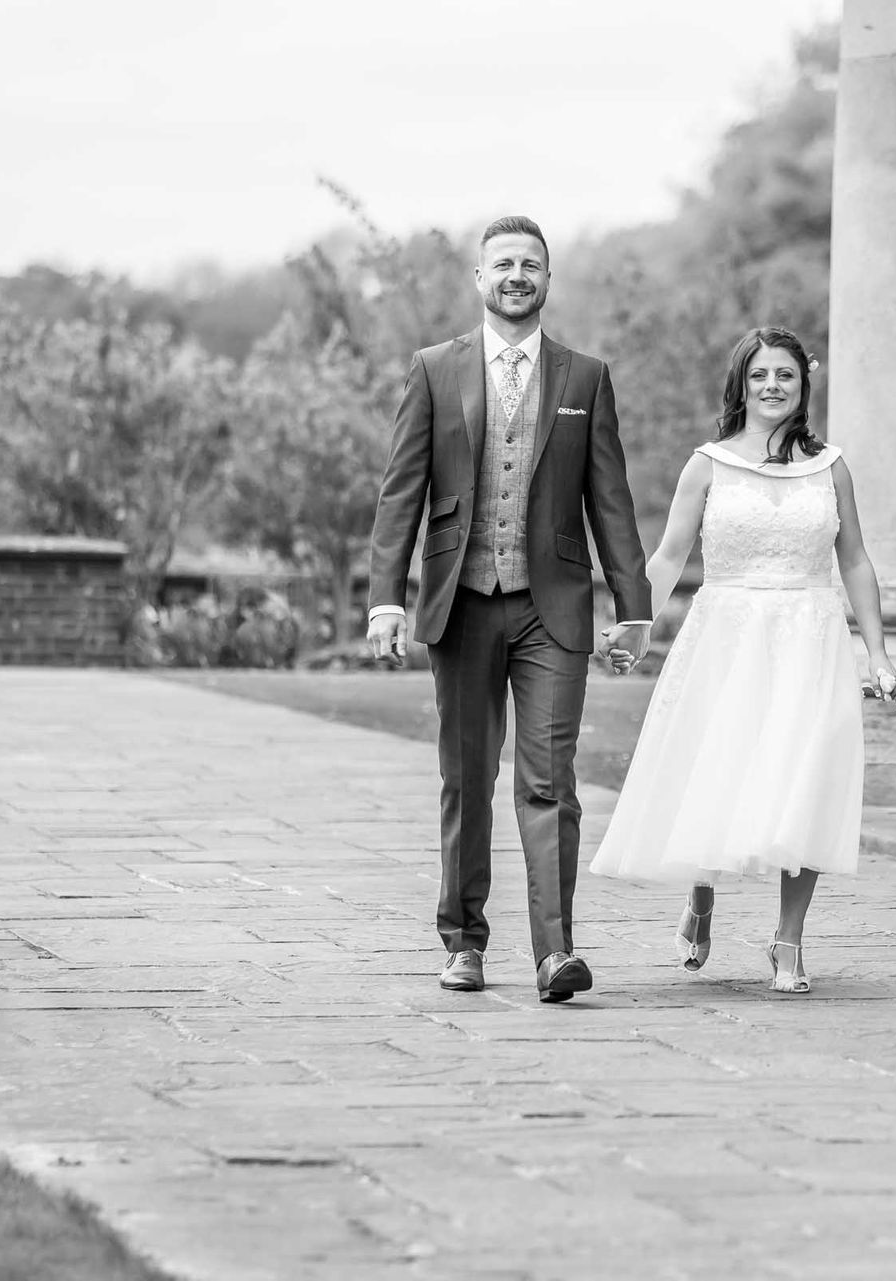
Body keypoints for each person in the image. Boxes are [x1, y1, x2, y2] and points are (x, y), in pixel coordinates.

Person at [366, 215, 653, 1003]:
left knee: (550, 783)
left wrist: (634, 606)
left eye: (531, 263)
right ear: (480, 278)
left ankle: (555, 953)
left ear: (548, 280)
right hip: (459, 603)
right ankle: (462, 939)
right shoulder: (433, 369)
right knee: (465, 777)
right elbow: (402, 493)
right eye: (503, 263)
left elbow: (612, 500)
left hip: (551, 609)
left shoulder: (584, 378)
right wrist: (386, 598)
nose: (517, 274)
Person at [589, 326, 896, 994]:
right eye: (760, 374)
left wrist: (877, 652)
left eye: (785, 375)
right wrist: (636, 624)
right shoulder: (707, 464)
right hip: (728, 635)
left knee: (805, 779)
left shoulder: (831, 466)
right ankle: (700, 897)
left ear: (803, 385)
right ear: (740, 383)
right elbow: (672, 554)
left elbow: (854, 558)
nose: (772, 386)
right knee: (722, 768)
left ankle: (788, 939)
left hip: (811, 634)